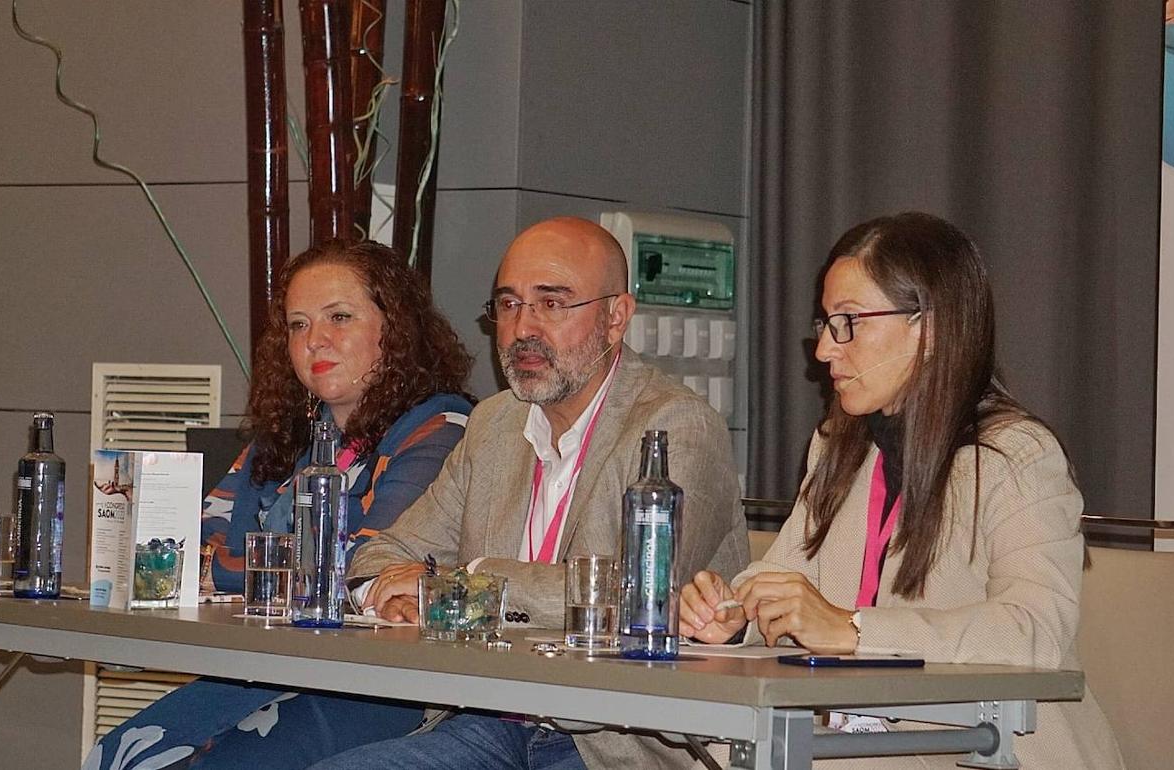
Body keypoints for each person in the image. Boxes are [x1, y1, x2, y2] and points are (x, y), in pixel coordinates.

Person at [680, 212, 1124, 768]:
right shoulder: (838, 446)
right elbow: (786, 575)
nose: (823, 350)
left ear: (930, 328)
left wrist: (853, 630)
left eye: (849, 321)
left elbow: (1037, 631)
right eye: (825, 322)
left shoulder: (1017, 457)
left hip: (991, 750)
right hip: (878, 745)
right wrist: (733, 615)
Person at [311, 216, 749, 770]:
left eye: (552, 303)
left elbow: (631, 598)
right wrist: (387, 594)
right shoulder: (495, 424)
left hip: (612, 740)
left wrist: (465, 584)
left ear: (616, 317)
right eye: (510, 305)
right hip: (493, 721)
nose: (522, 330)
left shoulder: (674, 427)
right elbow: (383, 553)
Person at [84, 240, 475, 770]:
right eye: (298, 325)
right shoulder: (284, 438)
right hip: (266, 664)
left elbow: (360, 568)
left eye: (339, 316)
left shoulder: (439, 431)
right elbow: (183, 550)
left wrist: (239, 569)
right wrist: (265, 569)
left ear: (396, 328)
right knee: (117, 757)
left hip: (379, 684)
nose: (316, 340)